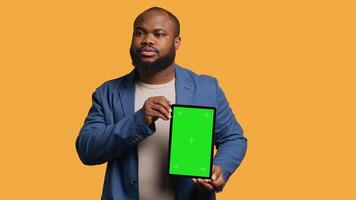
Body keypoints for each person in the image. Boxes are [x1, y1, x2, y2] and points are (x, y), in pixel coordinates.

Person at [76, 7, 247, 200]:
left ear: (176, 43)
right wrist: (138, 121)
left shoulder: (206, 88)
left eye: (159, 34)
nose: (147, 40)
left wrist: (221, 168)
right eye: (139, 33)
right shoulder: (108, 92)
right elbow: (87, 149)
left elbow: (234, 139)